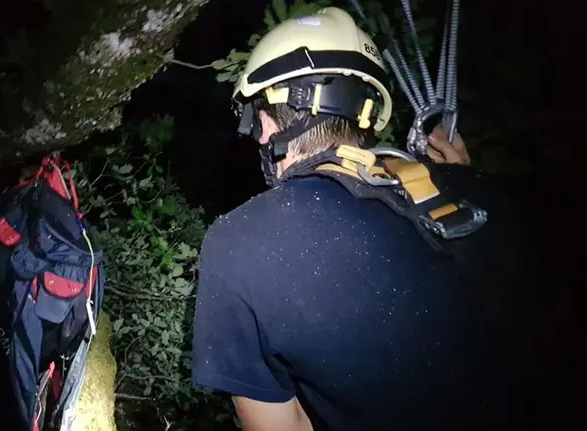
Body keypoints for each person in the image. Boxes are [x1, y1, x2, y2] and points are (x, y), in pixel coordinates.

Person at [191, 7, 539, 431]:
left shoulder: (237, 243)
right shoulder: (477, 197)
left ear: (266, 122)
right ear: (368, 114)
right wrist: (463, 177)